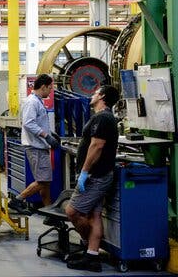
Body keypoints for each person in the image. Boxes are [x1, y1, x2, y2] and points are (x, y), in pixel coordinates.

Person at [65, 85, 119, 272]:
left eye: (96, 92)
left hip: (95, 176)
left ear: (102, 96)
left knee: (72, 211)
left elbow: (96, 146)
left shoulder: (103, 117)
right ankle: (92, 256)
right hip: (97, 175)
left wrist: (85, 172)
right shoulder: (102, 117)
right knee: (94, 215)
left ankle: (89, 247)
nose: (92, 95)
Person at [8, 73, 58, 214]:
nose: (50, 91)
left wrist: (50, 133)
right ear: (43, 87)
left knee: (45, 182)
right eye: (49, 88)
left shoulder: (36, 100)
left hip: (38, 146)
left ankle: (49, 211)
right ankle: (17, 200)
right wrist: (46, 136)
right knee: (42, 181)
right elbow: (29, 123)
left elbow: (36, 122)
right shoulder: (32, 102)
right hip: (36, 147)